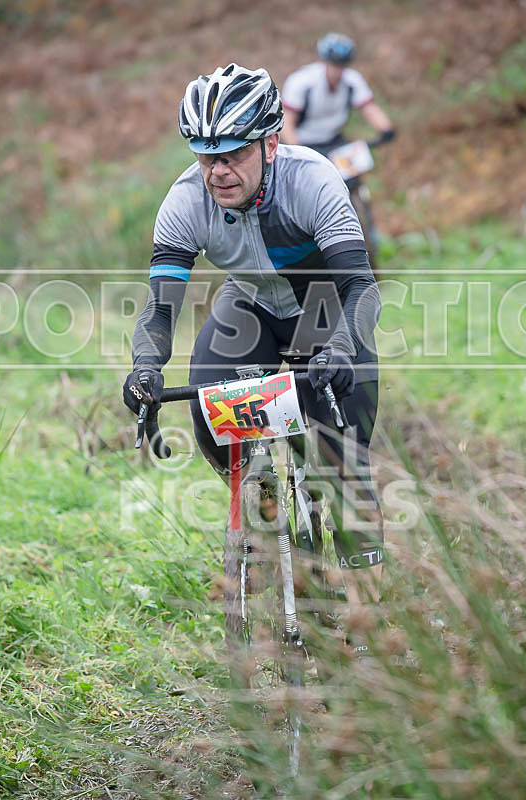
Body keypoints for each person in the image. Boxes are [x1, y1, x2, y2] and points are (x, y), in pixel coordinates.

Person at [122, 63, 384, 626]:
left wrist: (340, 347)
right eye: (204, 154)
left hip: (326, 311)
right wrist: (145, 364)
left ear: (269, 142)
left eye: (233, 153)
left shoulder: (312, 179)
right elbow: (160, 307)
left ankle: (372, 627)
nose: (217, 171)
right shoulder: (187, 200)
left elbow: (362, 289)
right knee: (208, 405)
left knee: (343, 466)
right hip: (252, 310)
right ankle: (262, 513)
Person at [281, 33, 394, 156]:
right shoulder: (302, 82)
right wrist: (298, 151)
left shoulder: (352, 80)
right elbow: (286, 121)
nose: (337, 71)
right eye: (334, 64)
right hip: (304, 142)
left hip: (334, 140)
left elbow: (369, 108)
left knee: (352, 172)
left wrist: (386, 129)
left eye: (342, 65)